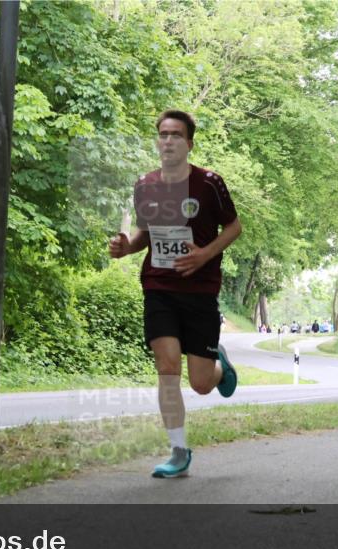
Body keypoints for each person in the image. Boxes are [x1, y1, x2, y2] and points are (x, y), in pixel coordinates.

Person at [109, 109, 241, 479]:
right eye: (163, 134)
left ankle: (220, 367)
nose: (168, 140)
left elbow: (234, 227)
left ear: (189, 143)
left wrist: (204, 254)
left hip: (199, 291)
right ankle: (179, 451)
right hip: (159, 287)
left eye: (176, 135)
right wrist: (125, 247)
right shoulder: (145, 185)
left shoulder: (209, 184)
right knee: (167, 367)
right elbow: (144, 235)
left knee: (200, 384)